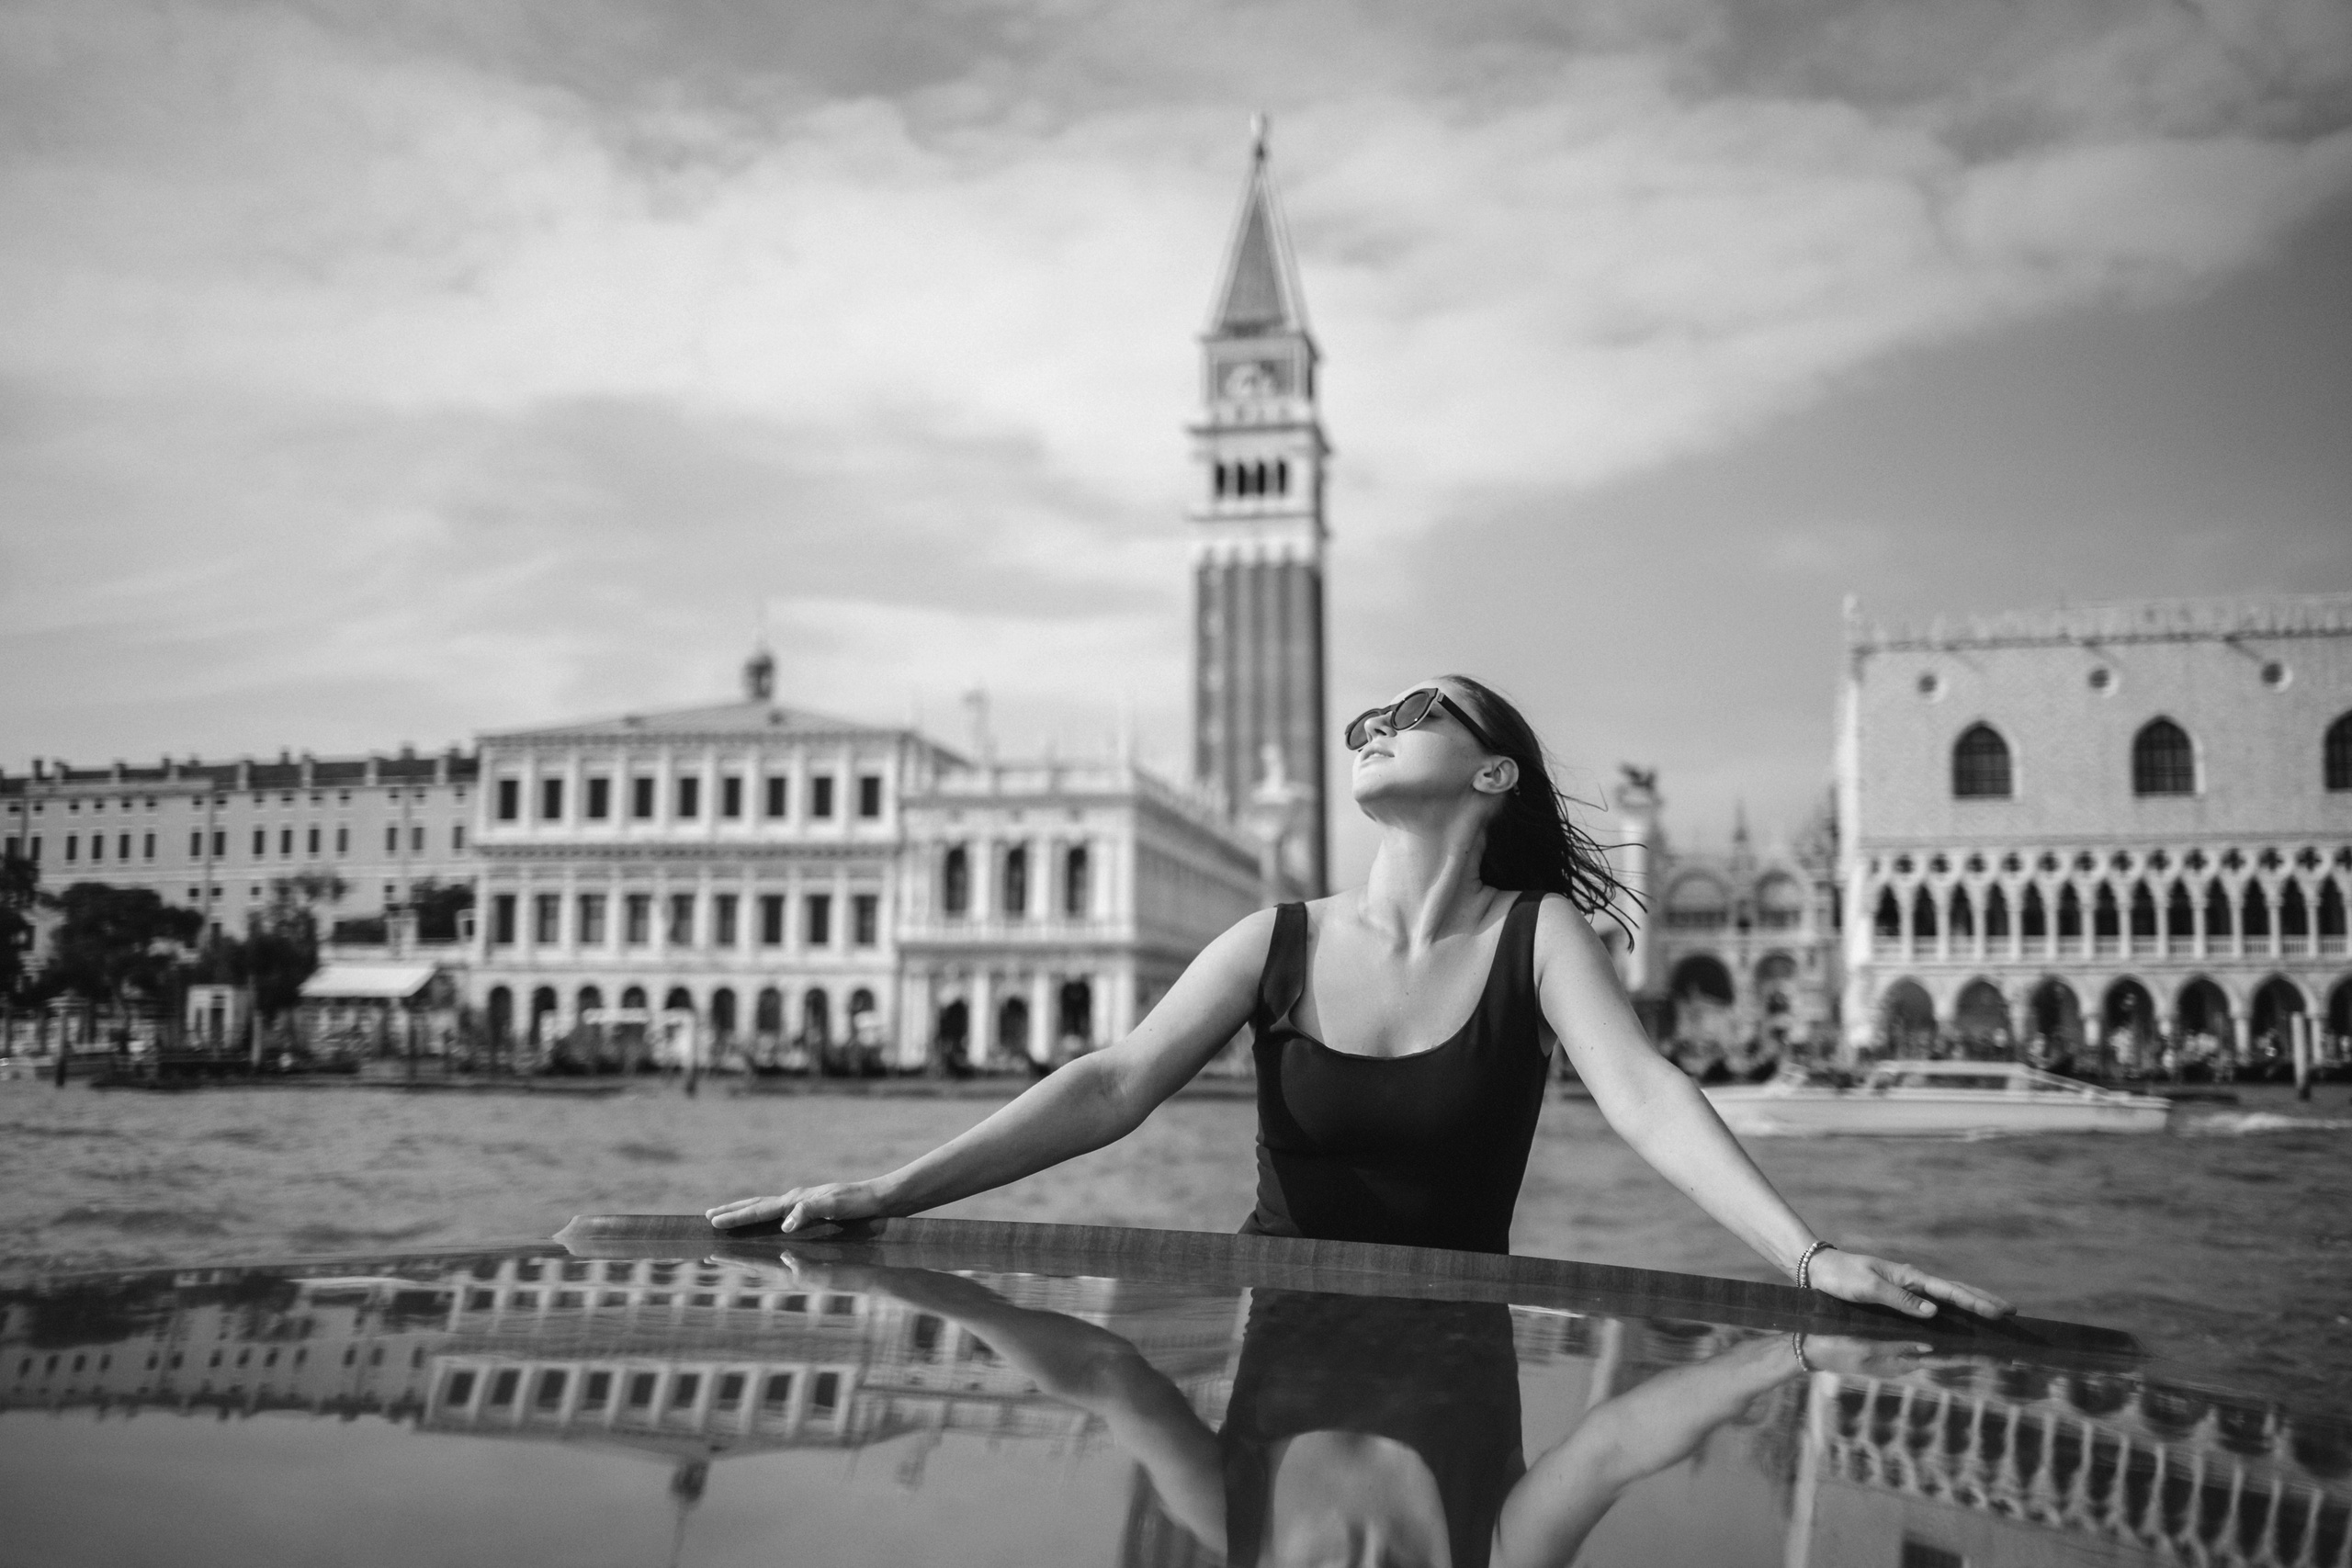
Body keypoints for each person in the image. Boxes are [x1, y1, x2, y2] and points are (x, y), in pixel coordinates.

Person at [709, 676, 2012, 1323]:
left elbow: (1647, 1098)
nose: (1378, 724)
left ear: (1493, 776)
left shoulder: (1539, 936)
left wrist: (1809, 1258)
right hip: (1272, 1328)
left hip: (1461, 1344)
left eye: (1418, 710)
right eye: (1372, 719)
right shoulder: (1271, 938)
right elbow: (1109, 1087)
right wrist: (886, 1194)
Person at [738, 1253, 1944, 1568]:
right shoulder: (1491, 1556)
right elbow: (1618, 1443)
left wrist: (923, 1290)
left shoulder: (1235, 1527)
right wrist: (1793, 1349)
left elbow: (1108, 1378)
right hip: (1459, 1249)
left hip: (1302, 1235)